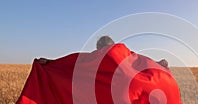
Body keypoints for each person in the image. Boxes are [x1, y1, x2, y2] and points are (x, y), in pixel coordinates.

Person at [37, 36, 169, 68]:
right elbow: (141, 62)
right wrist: (158, 64)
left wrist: (50, 63)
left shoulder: (92, 58)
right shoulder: (124, 53)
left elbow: (71, 64)